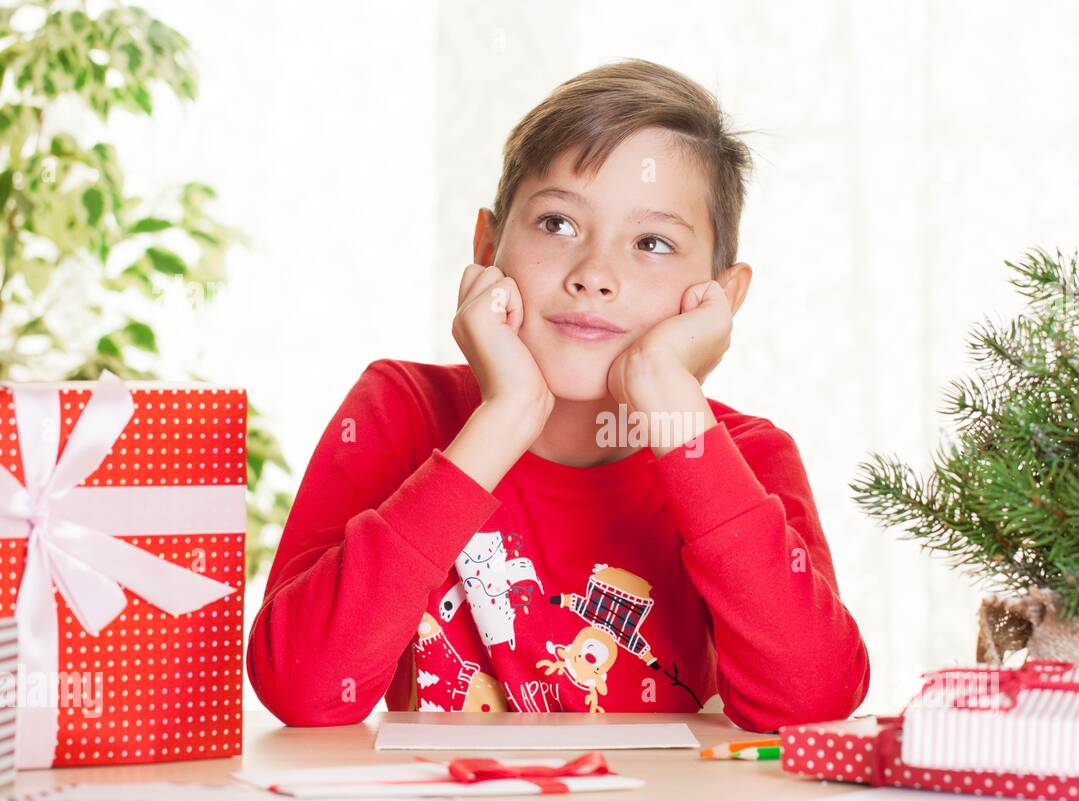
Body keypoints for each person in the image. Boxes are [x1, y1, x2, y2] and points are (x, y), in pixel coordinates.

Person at [247, 58, 869, 733]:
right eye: (557, 225)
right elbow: (302, 689)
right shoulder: (401, 409)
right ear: (488, 246)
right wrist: (504, 416)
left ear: (722, 298)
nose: (595, 274)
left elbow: (813, 697)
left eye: (653, 242)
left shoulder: (743, 458)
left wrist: (668, 392)